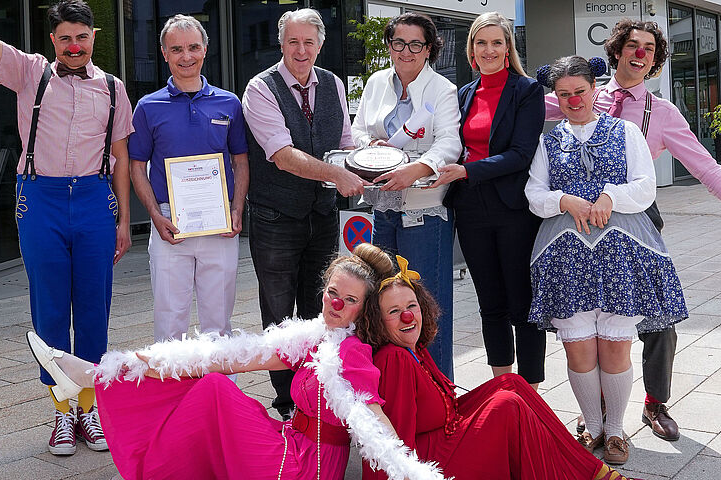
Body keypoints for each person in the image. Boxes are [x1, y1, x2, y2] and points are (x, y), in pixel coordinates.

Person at [543, 19, 721, 441]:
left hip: (637, 216)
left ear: (656, 60)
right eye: (632, 45)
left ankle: (654, 402)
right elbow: (523, 105)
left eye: (649, 47)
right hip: (580, 219)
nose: (640, 53)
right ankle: (599, 411)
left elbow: (706, 167)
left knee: (658, 317)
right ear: (618, 51)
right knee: (588, 319)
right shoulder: (583, 93)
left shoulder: (661, 112)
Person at [26, 244, 450, 480]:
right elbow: (229, 359)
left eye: (350, 300)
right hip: (291, 441)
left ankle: (98, 387)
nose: (336, 304)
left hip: (307, 467)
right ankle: (97, 374)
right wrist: (140, 362)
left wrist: (411, 471)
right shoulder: (314, 334)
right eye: (331, 292)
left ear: (363, 311)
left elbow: (372, 420)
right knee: (210, 374)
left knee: (214, 392)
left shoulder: (350, 353)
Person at [0, 0, 133, 455]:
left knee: (95, 306)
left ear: (93, 37)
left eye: (81, 37)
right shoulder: (29, 72)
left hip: (96, 198)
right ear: (52, 40)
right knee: (51, 308)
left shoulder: (114, 89)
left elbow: (120, 156)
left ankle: (90, 406)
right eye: (64, 38)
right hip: (41, 198)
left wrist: (122, 219)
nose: (73, 46)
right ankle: (63, 412)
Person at [527, 55, 689, 465]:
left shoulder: (625, 131)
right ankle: (592, 426)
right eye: (563, 95)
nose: (572, 100)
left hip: (620, 252)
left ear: (595, 89)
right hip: (566, 255)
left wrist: (609, 196)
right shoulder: (548, 142)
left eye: (579, 91)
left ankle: (616, 431)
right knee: (578, 349)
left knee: (615, 349)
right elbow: (534, 195)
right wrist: (562, 199)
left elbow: (645, 187)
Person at [357, 255, 638, 480]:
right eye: (394, 311)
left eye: (411, 305)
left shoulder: (412, 347)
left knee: (513, 384)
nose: (407, 315)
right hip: (433, 460)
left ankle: (583, 468)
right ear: (378, 320)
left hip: (446, 429)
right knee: (507, 405)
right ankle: (580, 473)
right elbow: (390, 444)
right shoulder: (394, 358)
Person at [242, 8, 368, 420]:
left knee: (322, 309)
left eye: (308, 42)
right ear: (281, 44)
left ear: (320, 44)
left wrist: (373, 160)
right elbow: (281, 155)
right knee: (279, 315)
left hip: (322, 215)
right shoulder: (261, 88)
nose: (301, 50)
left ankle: (317, 396)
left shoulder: (331, 83)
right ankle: (285, 406)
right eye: (293, 42)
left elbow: (345, 144)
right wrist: (337, 173)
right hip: (275, 216)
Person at [430, 12, 546, 386]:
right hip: (470, 208)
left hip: (513, 209)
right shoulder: (463, 93)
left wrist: (468, 170)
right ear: (472, 50)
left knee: (522, 303)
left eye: (497, 42)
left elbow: (521, 153)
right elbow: (449, 145)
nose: (489, 49)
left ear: (508, 47)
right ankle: (502, 388)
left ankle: (530, 394)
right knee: (490, 304)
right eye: (482, 42)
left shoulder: (526, 90)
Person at [351, 12, 461, 379]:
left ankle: (438, 388)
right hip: (382, 207)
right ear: (389, 46)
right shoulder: (376, 83)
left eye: (416, 44)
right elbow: (358, 131)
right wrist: (371, 147)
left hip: (424, 211)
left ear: (429, 49)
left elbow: (449, 142)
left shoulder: (441, 89)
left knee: (426, 307)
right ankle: (397, 386)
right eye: (399, 43)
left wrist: (415, 169)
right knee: (384, 303)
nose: (406, 51)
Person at [129, 15, 249, 343]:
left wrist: (237, 208)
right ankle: (173, 395)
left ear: (205, 50)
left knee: (218, 325)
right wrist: (155, 216)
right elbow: (136, 167)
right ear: (164, 53)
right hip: (170, 223)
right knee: (169, 324)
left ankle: (218, 394)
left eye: (193, 47)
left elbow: (240, 161)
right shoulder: (147, 107)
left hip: (220, 222)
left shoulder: (229, 103)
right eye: (177, 49)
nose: (186, 56)